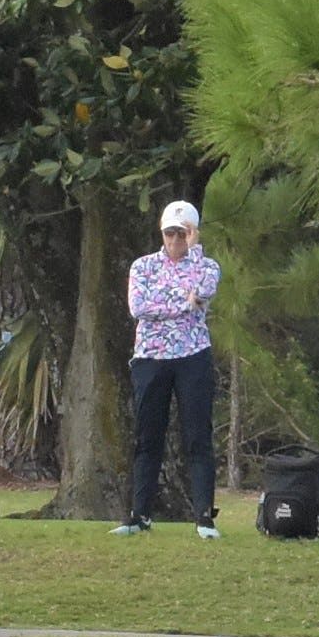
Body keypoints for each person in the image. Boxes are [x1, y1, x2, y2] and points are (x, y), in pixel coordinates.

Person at [113, 201, 221, 541]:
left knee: (197, 438)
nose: (175, 239)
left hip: (193, 357)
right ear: (161, 233)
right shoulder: (143, 266)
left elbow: (204, 291)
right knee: (147, 438)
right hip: (150, 358)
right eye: (170, 233)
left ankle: (204, 518)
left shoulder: (206, 266)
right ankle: (139, 515)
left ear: (192, 233)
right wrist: (183, 304)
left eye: (182, 233)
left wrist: (196, 253)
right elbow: (139, 307)